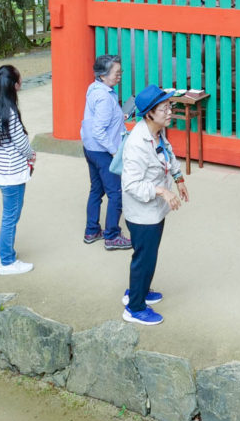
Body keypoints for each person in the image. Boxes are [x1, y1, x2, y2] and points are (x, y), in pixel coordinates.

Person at [120, 84, 190, 326]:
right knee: (144, 257)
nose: (170, 112)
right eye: (164, 108)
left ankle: (140, 290)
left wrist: (178, 179)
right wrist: (162, 190)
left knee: (148, 255)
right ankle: (135, 307)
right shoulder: (137, 143)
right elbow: (131, 184)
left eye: (170, 106)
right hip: (142, 213)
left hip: (154, 209)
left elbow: (167, 154)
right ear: (149, 113)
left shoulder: (157, 131)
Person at [0, 64, 36, 276]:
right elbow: (21, 143)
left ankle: (2, 252)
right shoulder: (11, 113)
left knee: (9, 214)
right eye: (20, 80)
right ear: (13, 86)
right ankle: (7, 261)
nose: (21, 83)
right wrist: (31, 154)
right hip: (11, 172)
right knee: (11, 216)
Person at [80, 54, 132, 250]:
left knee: (96, 190)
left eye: (121, 72)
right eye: (116, 73)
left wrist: (121, 116)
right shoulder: (104, 97)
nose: (120, 76)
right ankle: (112, 235)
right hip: (103, 151)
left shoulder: (95, 89)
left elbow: (100, 121)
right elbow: (99, 130)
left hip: (91, 148)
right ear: (103, 75)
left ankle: (92, 230)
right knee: (116, 193)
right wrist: (114, 151)